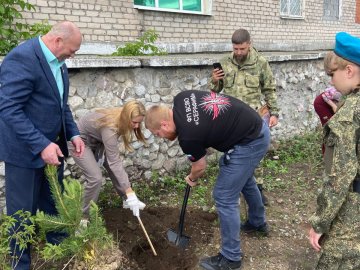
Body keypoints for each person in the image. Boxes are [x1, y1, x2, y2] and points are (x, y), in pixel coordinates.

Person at [145, 90, 270, 270]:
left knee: (224, 195)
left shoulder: (187, 136)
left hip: (251, 140)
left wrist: (191, 177)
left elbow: (200, 167)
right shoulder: (182, 98)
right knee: (243, 178)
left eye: (158, 134)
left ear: (164, 125)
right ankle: (257, 223)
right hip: (255, 127)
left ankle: (231, 258)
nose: (161, 138)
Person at [0, 21, 85, 269]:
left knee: (53, 206)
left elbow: (61, 106)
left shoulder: (59, 63)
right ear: (58, 41)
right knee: (21, 216)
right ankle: (20, 264)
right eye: (73, 49)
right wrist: (40, 145)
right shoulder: (22, 58)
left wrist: (73, 133)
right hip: (24, 154)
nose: (73, 54)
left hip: (52, 152)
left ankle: (60, 255)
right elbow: (8, 108)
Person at [208, 28, 280, 205]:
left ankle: (258, 190)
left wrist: (274, 113)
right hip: (231, 117)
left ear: (249, 44)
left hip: (254, 117)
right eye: (235, 49)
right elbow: (215, 92)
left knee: (255, 153)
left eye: (242, 49)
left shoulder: (260, 63)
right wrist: (215, 81)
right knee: (231, 151)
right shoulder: (224, 62)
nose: (238, 53)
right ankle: (235, 185)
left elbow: (269, 89)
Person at [308, 32, 360, 269]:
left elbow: (340, 176)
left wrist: (319, 223)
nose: (330, 81)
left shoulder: (349, 116)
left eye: (332, 74)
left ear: (348, 71)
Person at [69, 100, 146, 219]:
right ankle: (84, 217)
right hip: (79, 142)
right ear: (126, 117)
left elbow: (113, 163)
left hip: (97, 142)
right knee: (95, 178)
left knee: (112, 166)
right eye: (135, 122)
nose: (136, 126)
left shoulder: (121, 116)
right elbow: (115, 162)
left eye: (139, 123)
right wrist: (130, 191)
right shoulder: (110, 127)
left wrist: (128, 194)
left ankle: (127, 200)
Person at [313, 87, 343, 154]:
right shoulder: (338, 88)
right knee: (329, 126)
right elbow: (324, 95)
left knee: (336, 125)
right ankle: (326, 153)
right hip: (321, 104)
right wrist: (333, 106)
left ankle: (335, 150)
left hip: (329, 104)